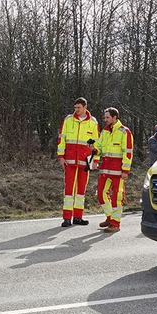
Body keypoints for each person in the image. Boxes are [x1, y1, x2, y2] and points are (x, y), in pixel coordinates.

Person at [55, 97, 97, 227]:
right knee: (68, 190)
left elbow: (96, 143)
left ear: (85, 107)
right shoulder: (68, 120)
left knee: (81, 191)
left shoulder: (93, 122)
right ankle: (67, 218)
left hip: (85, 161)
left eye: (78, 108)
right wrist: (61, 156)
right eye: (75, 108)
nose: (76, 110)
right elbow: (62, 139)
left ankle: (78, 217)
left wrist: (95, 160)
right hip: (70, 160)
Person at [93, 107, 133, 232]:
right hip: (105, 169)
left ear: (115, 117)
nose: (105, 120)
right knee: (100, 194)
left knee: (117, 197)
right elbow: (100, 147)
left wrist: (125, 171)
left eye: (107, 117)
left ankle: (115, 224)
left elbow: (128, 152)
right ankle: (110, 218)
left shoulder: (124, 132)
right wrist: (94, 150)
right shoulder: (104, 131)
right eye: (105, 117)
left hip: (118, 171)